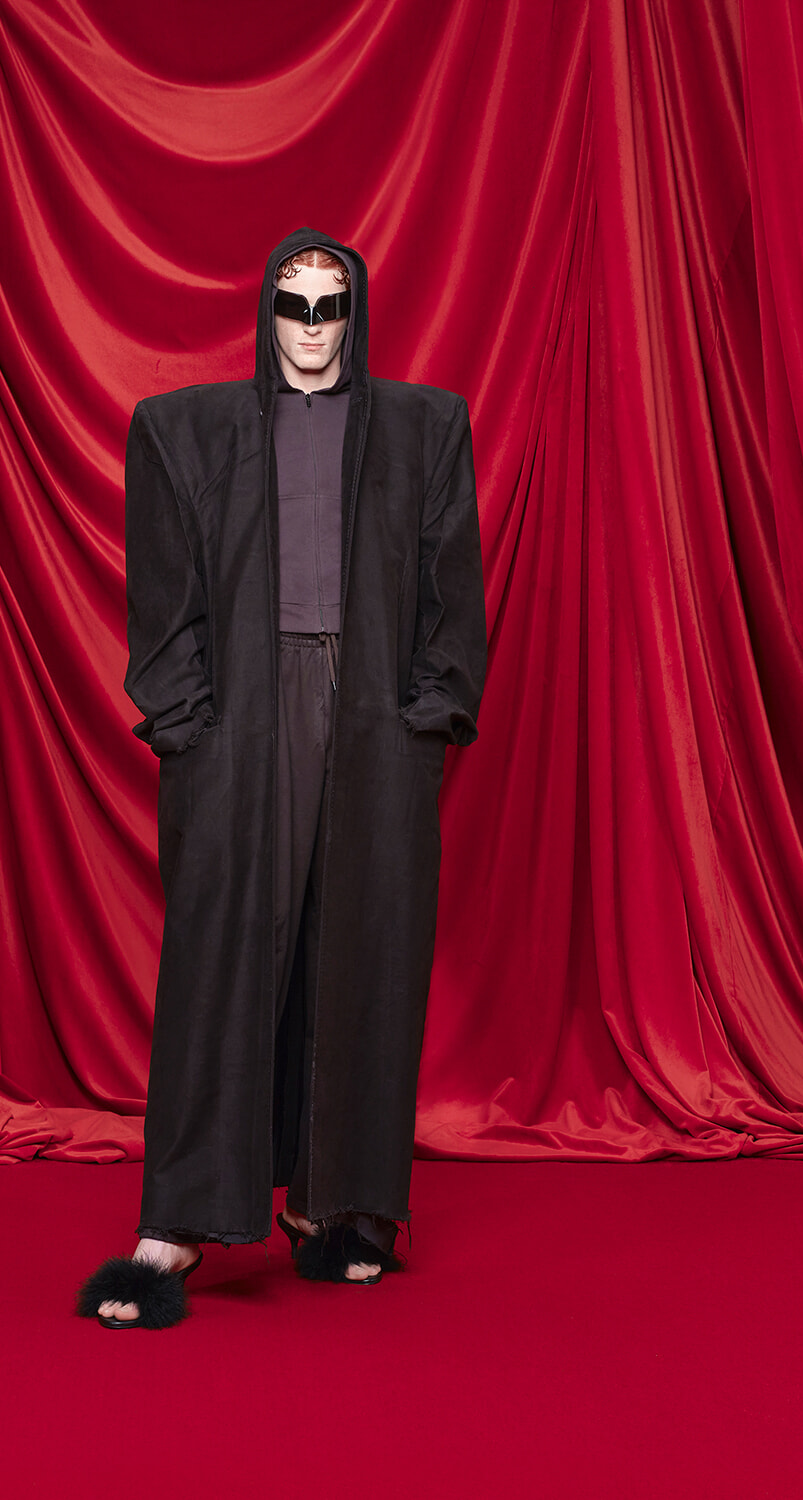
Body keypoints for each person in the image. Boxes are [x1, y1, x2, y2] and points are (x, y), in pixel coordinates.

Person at [77, 228, 486, 1329]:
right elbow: (163, 602)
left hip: (372, 721)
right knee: (222, 956)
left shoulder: (422, 429)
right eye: (293, 306)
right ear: (267, 312)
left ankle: (332, 1204)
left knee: (360, 955)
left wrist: (426, 718)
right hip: (243, 725)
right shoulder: (189, 430)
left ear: (354, 314)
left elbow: (453, 587)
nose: (310, 327)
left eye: (328, 306)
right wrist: (190, 727)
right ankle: (175, 1223)